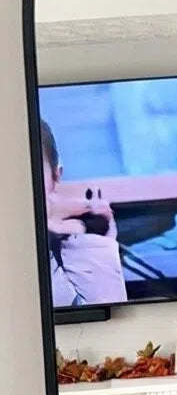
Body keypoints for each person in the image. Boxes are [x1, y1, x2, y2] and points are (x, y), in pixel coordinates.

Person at [41, 119, 127, 307]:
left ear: (56, 175)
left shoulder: (80, 241)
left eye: (29, 173)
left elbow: (103, 315)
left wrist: (92, 242)